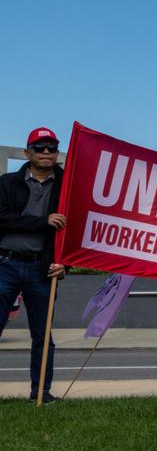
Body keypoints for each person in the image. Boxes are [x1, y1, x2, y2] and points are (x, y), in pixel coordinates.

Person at [0, 127, 67, 403]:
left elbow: (75, 231)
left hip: (43, 269)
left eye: (52, 148)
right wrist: (43, 221)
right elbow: (3, 219)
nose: (47, 153)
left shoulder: (68, 186)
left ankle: (41, 393)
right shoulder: (7, 183)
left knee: (43, 335)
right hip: (5, 264)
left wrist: (66, 265)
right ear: (28, 152)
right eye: (40, 148)